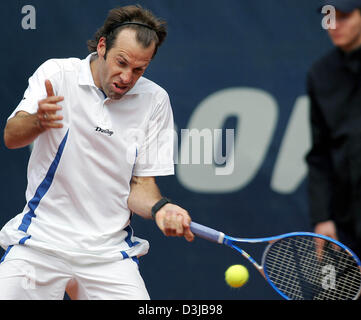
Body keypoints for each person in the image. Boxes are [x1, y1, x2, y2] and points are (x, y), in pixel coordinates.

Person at [0, 5, 194, 300]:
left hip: (109, 256)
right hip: (39, 242)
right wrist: (38, 122)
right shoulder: (57, 73)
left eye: (139, 69)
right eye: (122, 62)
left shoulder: (155, 101)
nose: (127, 77)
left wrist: (160, 209)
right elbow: (11, 137)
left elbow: (141, 187)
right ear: (102, 46)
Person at [306, 0, 361, 259]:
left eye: (344, 16)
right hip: (343, 222)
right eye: (329, 16)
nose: (333, 25)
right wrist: (323, 217)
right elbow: (320, 152)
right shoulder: (320, 74)